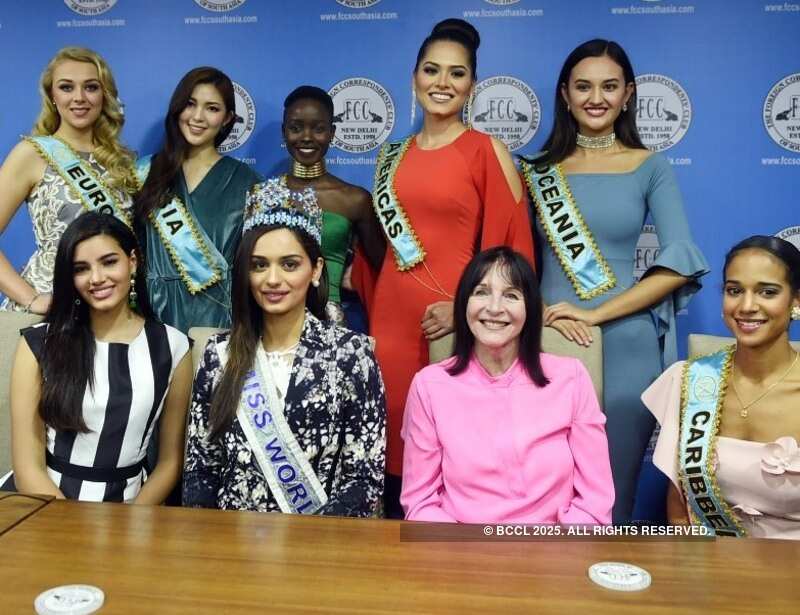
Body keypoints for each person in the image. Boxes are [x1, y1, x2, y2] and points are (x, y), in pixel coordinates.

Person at [518, 39, 708, 524]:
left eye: (609, 86)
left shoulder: (651, 166)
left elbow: (680, 261)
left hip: (627, 346)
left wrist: (595, 313)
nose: (595, 97)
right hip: (548, 337)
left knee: (613, 491)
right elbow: (510, 260)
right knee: (541, 488)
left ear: (628, 94)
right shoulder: (535, 170)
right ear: (564, 94)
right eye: (583, 86)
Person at [357, 18, 535, 518]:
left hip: (456, 323)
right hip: (391, 321)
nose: (442, 82)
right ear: (413, 78)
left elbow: (511, 252)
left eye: (456, 74)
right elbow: (382, 250)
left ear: (472, 86)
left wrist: (464, 312)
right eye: (431, 70)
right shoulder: (393, 155)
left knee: (452, 445)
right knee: (391, 442)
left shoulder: (485, 150)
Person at [182, 181, 386, 516]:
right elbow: (201, 468)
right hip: (230, 545)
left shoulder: (352, 354)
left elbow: (363, 478)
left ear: (316, 269)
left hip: (319, 549)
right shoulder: (219, 354)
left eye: (289, 264)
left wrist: (306, 545)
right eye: (259, 265)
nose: (272, 279)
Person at [401, 247, 614, 523]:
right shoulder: (429, 386)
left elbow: (595, 503)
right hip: (462, 549)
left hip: (553, 549)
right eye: (481, 292)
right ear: (464, 304)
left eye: (511, 295)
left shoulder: (571, 378)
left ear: (530, 309)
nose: (494, 308)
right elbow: (420, 502)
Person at [5, 212, 191, 503]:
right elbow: (28, 467)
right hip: (41, 505)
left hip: (132, 510)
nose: (96, 278)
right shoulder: (39, 343)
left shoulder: (174, 347)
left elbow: (170, 462)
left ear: (132, 261)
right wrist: (72, 530)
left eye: (109, 262)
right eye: (81, 268)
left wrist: (131, 521)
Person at [644, 236, 800, 539]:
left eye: (767, 292)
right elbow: (680, 511)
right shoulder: (691, 380)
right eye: (734, 291)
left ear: (796, 300)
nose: (747, 306)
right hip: (710, 567)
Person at [0, 47, 136, 313]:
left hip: (109, 309)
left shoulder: (122, 162)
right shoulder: (32, 153)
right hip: (50, 308)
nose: (79, 98)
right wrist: (31, 299)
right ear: (52, 96)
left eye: (91, 87)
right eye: (66, 87)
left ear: (104, 94)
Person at [134, 67, 263, 333]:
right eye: (190, 104)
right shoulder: (144, 172)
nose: (197, 117)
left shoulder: (248, 182)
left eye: (212, 108)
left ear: (227, 119)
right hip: (153, 315)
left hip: (219, 317)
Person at [276, 85, 384, 325]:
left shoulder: (354, 199)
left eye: (318, 129)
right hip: (271, 319)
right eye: (295, 128)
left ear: (332, 132)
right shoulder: (264, 195)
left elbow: (384, 272)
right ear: (284, 132)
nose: (306, 137)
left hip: (331, 324)